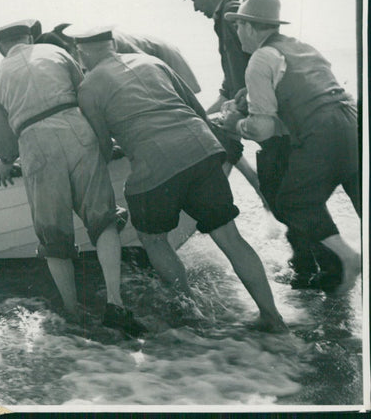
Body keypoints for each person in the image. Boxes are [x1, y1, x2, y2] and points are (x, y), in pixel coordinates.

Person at [65, 24, 287, 333]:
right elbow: (196, 110)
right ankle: (273, 317)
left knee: (152, 238)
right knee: (230, 237)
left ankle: (190, 309)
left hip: (155, 167)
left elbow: (101, 145)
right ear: (112, 43)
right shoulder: (152, 62)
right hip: (202, 150)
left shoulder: (88, 87)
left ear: (81, 52)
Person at [0, 19, 144, 336]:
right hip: (76, 128)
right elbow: (86, 93)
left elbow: (2, 143)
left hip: (35, 143)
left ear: (0, 46)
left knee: (53, 233)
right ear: (29, 37)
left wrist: (5, 159)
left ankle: (73, 313)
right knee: (102, 218)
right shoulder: (54, 52)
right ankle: (115, 302)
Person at [221, 0, 361, 295]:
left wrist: (235, 123)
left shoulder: (260, 58)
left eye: (238, 26)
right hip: (354, 122)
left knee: (292, 201)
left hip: (321, 131)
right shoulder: (300, 46)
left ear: (248, 26)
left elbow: (263, 128)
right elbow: (308, 89)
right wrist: (255, 96)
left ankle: (348, 257)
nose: (236, 33)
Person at [177, 0, 265, 193]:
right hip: (245, 102)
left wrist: (247, 95)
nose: (196, 8)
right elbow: (232, 75)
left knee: (224, 145)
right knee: (222, 141)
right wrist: (204, 114)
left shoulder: (232, 14)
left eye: (194, 1)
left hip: (259, 104)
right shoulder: (224, 18)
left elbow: (263, 56)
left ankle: (218, 208)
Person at [39, 24, 201, 92]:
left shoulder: (113, 42)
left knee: (181, 98)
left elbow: (143, 67)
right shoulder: (87, 49)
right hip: (152, 58)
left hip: (162, 53)